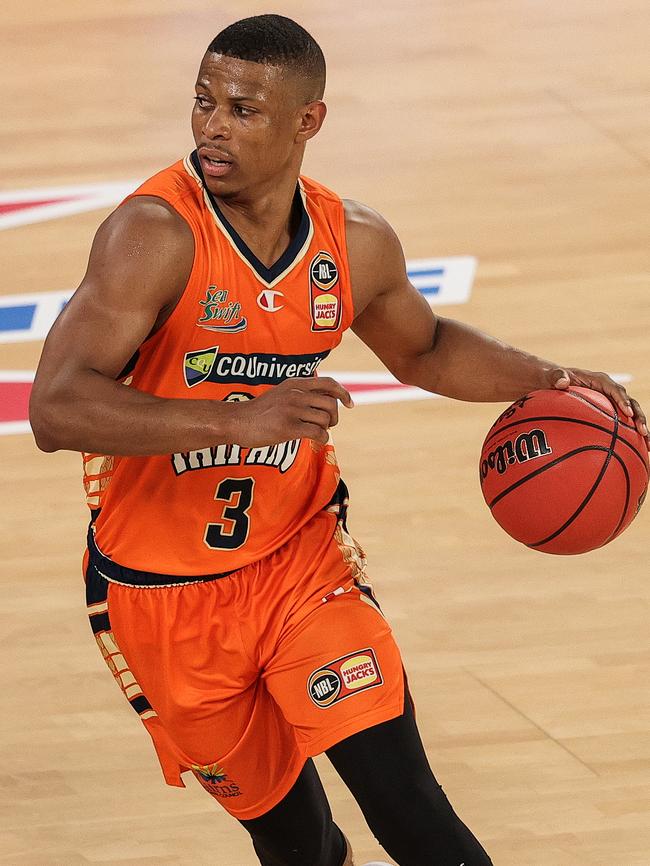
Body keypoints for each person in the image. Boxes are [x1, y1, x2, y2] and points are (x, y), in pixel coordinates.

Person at [30, 14, 648, 866]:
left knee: (413, 811)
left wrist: (553, 379)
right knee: (301, 847)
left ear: (306, 122)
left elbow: (424, 348)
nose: (213, 125)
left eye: (243, 110)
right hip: (160, 598)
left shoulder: (353, 241)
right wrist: (239, 417)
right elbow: (55, 411)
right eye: (204, 102)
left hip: (301, 566)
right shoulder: (153, 236)